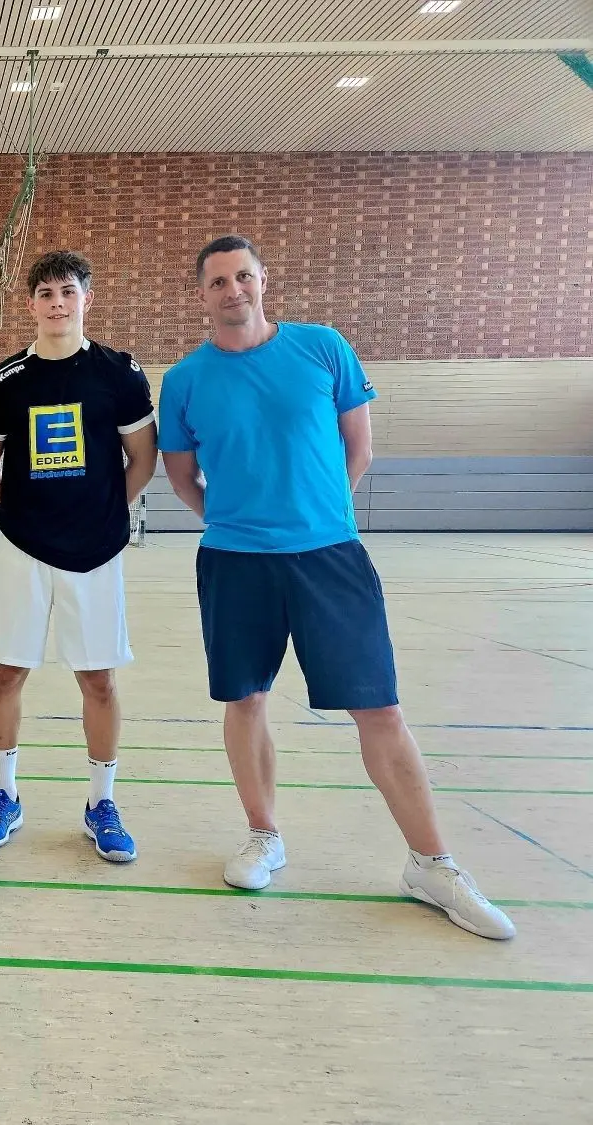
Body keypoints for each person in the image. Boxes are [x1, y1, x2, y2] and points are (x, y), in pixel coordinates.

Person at [158, 234, 514, 940]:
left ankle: (431, 861)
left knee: (379, 708)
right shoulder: (185, 379)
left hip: (331, 558)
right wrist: (236, 521)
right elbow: (180, 474)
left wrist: (321, 515)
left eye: (245, 276)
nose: (234, 290)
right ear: (201, 294)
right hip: (234, 561)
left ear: (263, 282)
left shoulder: (323, 348)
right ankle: (264, 835)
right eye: (219, 281)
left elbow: (361, 445)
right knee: (245, 699)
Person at [0, 251, 157, 858]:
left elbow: (143, 458)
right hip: (23, 548)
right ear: (30, 304)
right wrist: (16, 517)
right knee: (7, 673)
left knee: (97, 679)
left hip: (96, 552)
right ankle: (5, 795)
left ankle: (102, 802)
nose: (57, 302)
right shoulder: (3, 381)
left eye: (68, 291)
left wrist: (105, 513)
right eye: (45, 292)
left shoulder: (119, 374)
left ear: (86, 300)